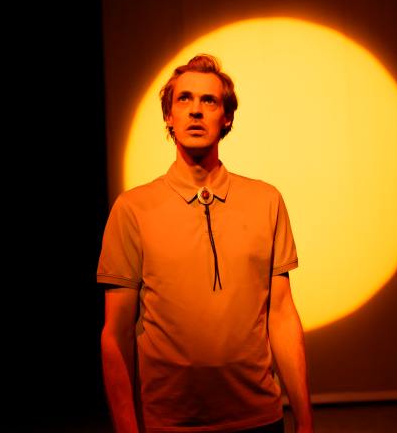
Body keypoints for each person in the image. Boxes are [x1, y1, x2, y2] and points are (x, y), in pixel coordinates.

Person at [97, 54, 313, 433]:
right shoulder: (132, 208)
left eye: (209, 101)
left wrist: (306, 421)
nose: (195, 110)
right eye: (184, 99)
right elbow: (116, 334)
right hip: (168, 421)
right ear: (169, 116)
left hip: (259, 417)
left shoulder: (266, 201)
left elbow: (281, 315)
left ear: (226, 117)